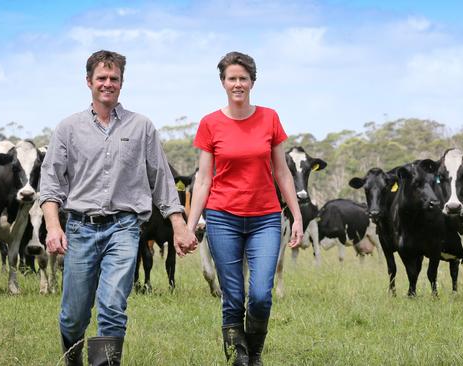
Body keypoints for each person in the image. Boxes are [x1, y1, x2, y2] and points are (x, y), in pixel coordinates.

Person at [40, 50, 196, 366]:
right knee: (73, 316)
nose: (108, 83)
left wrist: (179, 225)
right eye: (102, 78)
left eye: (114, 78)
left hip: (124, 228)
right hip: (80, 228)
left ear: (122, 83)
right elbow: (51, 184)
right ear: (89, 82)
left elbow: (162, 180)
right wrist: (54, 226)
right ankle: (72, 360)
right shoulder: (68, 129)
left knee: (112, 307)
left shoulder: (142, 127)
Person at [186, 51, 304, 366]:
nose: (238, 84)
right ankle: (238, 357)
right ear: (223, 83)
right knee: (233, 296)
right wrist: (190, 224)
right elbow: (202, 181)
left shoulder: (270, 118)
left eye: (243, 78)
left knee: (262, 295)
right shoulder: (210, 123)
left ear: (252, 82)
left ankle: (254, 353)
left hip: (265, 218)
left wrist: (297, 216)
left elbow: (282, 172)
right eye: (231, 78)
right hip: (222, 218)